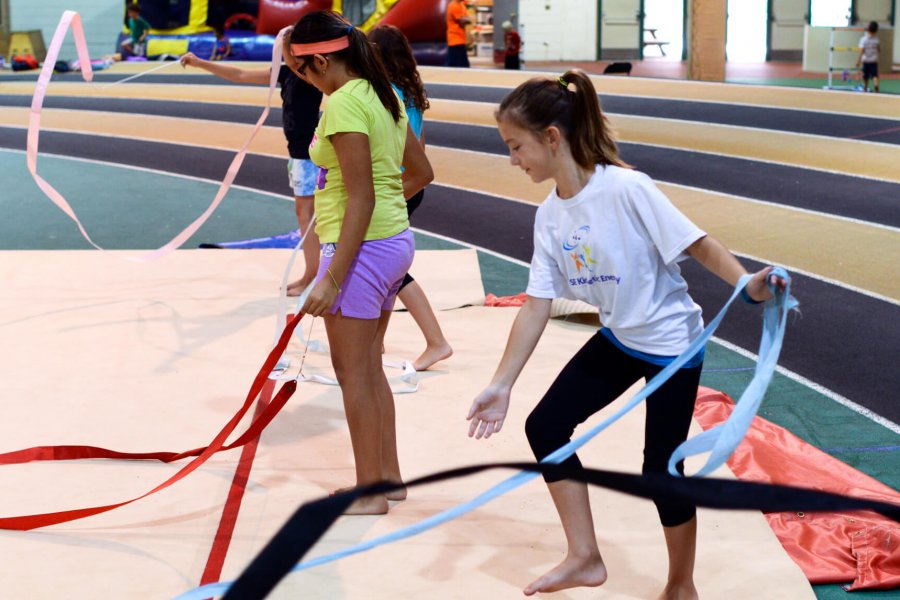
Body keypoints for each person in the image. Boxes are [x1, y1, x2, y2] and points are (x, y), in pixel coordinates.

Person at [466, 70, 787, 598]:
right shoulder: (549, 216)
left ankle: (681, 586)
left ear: (552, 137)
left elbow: (698, 243)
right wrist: (502, 384)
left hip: (671, 348)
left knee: (660, 469)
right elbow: (536, 306)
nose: (512, 159)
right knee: (545, 427)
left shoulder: (625, 188)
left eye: (516, 146)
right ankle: (585, 557)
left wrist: (747, 284)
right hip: (619, 339)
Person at [291, 11, 434, 515]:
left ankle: (369, 493)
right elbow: (421, 172)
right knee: (369, 370)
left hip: (360, 250)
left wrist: (332, 277)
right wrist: (389, 213)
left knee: (353, 373)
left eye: (302, 70)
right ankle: (387, 477)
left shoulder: (346, 104)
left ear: (323, 60)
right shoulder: (386, 93)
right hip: (391, 243)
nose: (302, 81)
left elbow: (361, 198)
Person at [180, 35, 323, 295]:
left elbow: (304, 72)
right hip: (299, 153)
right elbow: (241, 74)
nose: (278, 53)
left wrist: (291, 51)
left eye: (282, 48)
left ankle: (312, 277)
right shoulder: (286, 72)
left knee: (308, 217)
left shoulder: (309, 71)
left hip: (309, 154)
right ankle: (313, 275)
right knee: (309, 216)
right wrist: (202, 63)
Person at [368, 24, 453, 372]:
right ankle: (376, 340)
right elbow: (421, 143)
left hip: (397, 186)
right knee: (385, 265)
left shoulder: (387, 93)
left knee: (392, 269)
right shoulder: (409, 90)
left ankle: (436, 341)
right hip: (409, 184)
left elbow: (407, 147)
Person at [445, 0, 471, 68]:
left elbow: (468, 19)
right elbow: (462, 21)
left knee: (462, 65)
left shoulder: (462, 4)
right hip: (455, 40)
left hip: (461, 39)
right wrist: (466, 19)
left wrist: (466, 19)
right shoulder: (454, 5)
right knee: (460, 66)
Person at [856, 21, 880, 93]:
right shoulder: (876, 40)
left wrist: (858, 60)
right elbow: (879, 49)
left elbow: (861, 51)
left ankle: (865, 88)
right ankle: (876, 86)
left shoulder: (863, 39)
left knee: (865, 75)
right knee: (874, 75)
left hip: (866, 60)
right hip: (874, 60)